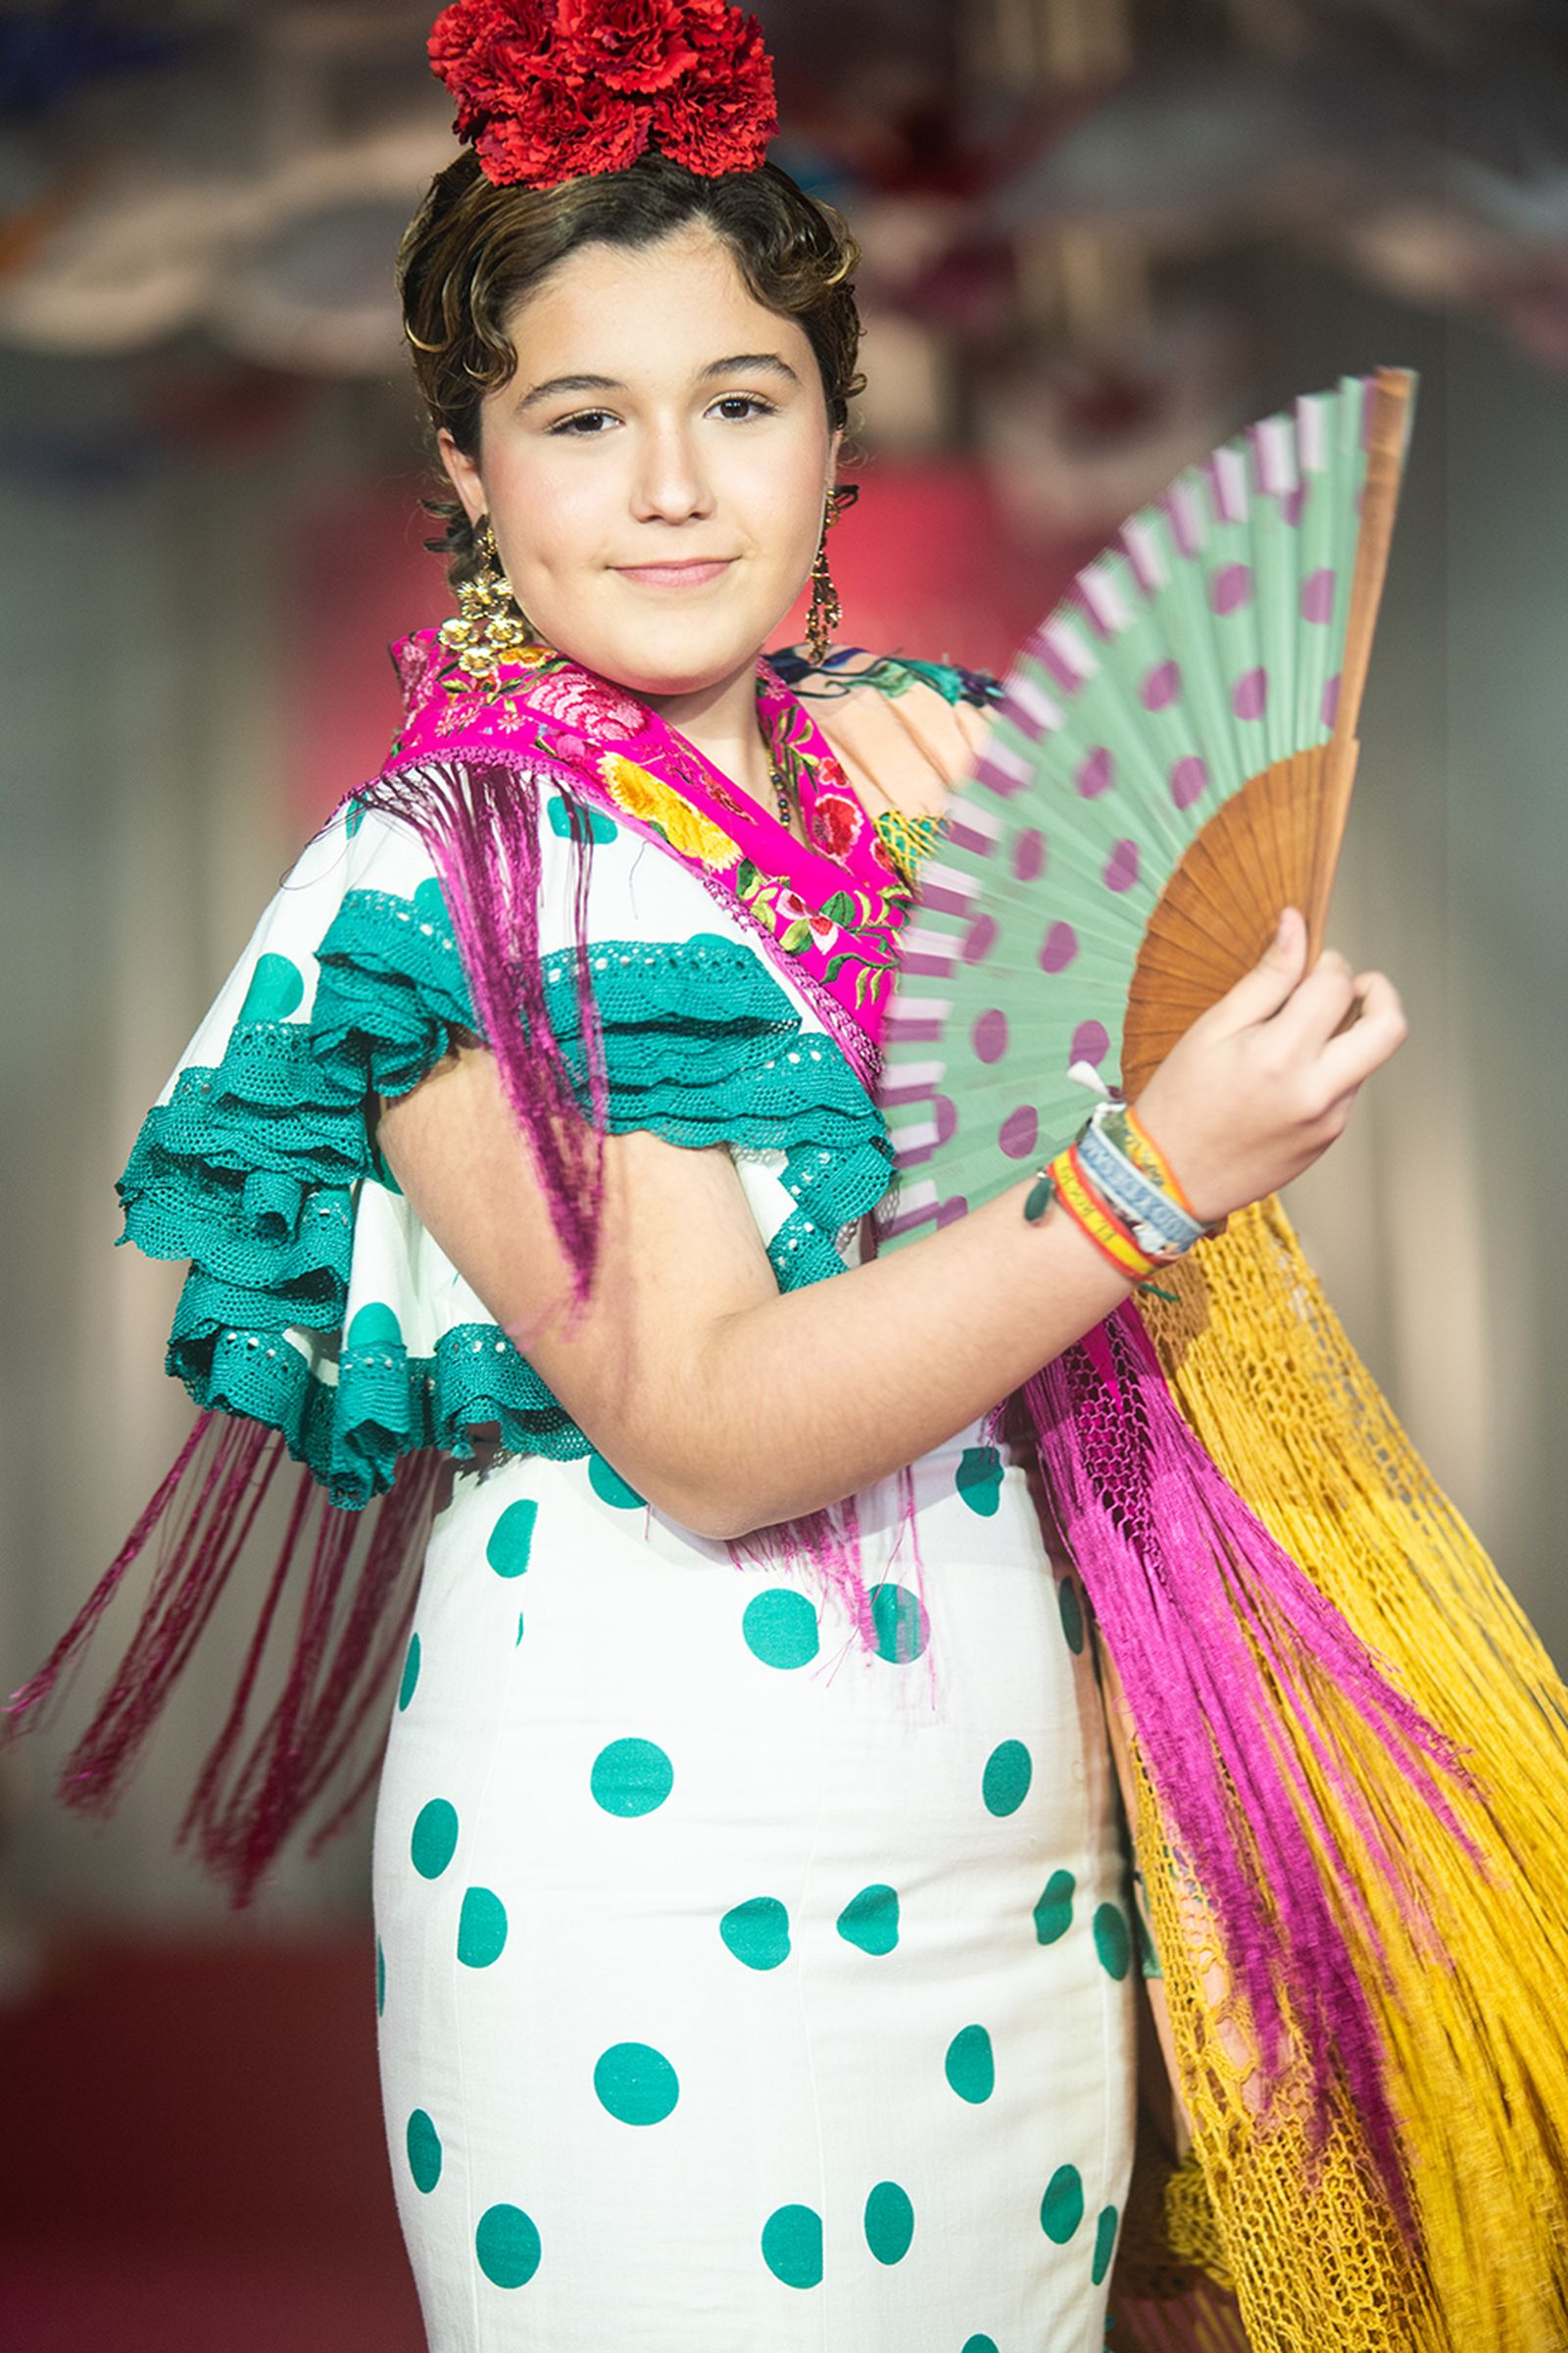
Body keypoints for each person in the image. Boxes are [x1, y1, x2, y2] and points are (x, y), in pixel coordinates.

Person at [11, 6, 1567, 2350]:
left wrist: (1147, 1037)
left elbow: (1026, 1326)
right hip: (658, 1883)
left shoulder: (915, 796)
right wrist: (1150, 1166)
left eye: (736, 402)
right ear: (467, 465)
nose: (667, 485)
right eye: (579, 415)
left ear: (835, 433)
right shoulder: (451, 875)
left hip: (1021, 1878)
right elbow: (710, 1427)